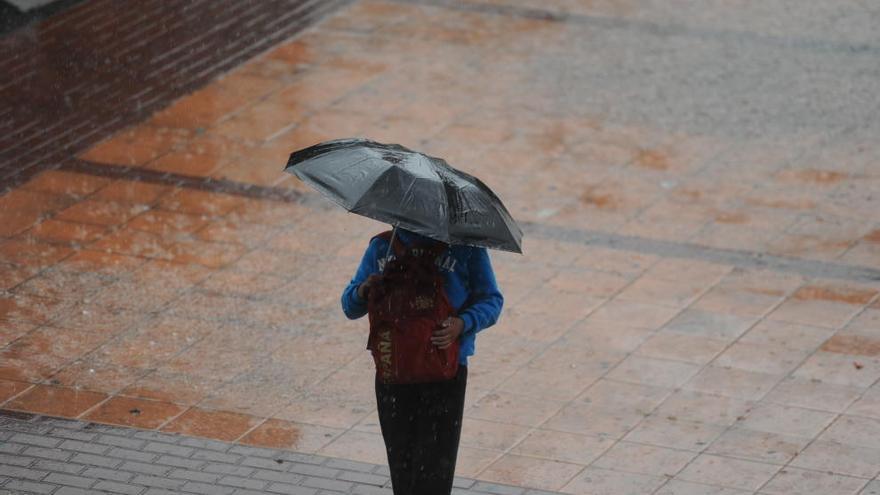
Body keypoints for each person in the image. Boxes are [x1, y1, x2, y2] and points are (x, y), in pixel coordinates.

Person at [342, 227, 504, 495]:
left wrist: (463, 323)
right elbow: (349, 306)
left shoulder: (466, 248)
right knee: (402, 466)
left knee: (435, 469)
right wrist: (363, 290)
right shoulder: (383, 246)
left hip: (445, 375)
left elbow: (491, 299)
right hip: (395, 372)